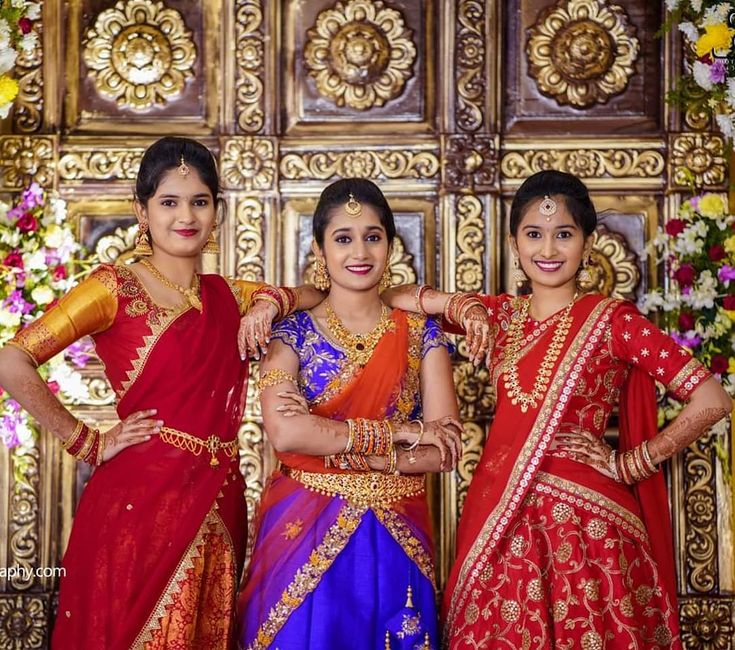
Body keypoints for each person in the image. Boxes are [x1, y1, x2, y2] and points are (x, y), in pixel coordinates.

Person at [383, 170, 732, 648]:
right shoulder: (500, 316)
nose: (548, 249)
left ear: (588, 244)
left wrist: (629, 461)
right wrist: (462, 306)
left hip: (585, 533)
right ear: (514, 243)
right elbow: (391, 297)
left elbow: (712, 398)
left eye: (563, 234)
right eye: (534, 234)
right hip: (499, 526)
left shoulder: (614, 323)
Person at [0, 136, 322, 649]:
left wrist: (271, 303)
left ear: (216, 211)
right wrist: (86, 440)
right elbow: (11, 359)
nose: (185, 216)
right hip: (138, 509)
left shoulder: (227, 295)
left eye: (200, 201)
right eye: (169, 202)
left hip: (219, 503)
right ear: (141, 211)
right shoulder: (113, 287)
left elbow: (315, 295)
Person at [236, 178, 467, 650]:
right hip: (303, 528)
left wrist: (342, 447)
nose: (359, 251)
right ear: (319, 249)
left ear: (389, 245)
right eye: (343, 238)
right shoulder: (291, 334)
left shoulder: (422, 334)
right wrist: (402, 434)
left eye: (373, 236)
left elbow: (444, 449)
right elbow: (287, 433)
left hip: (396, 532)